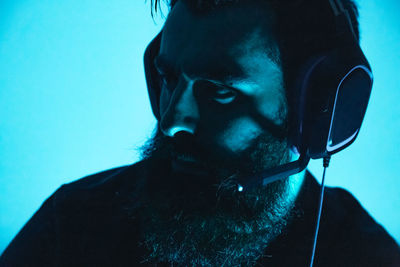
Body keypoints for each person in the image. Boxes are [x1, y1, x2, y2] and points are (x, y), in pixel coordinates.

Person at [1, 0, 399, 266]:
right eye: (169, 78)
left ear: (317, 109)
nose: (171, 120)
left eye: (219, 91)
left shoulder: (365, 256)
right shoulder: (71, 225)